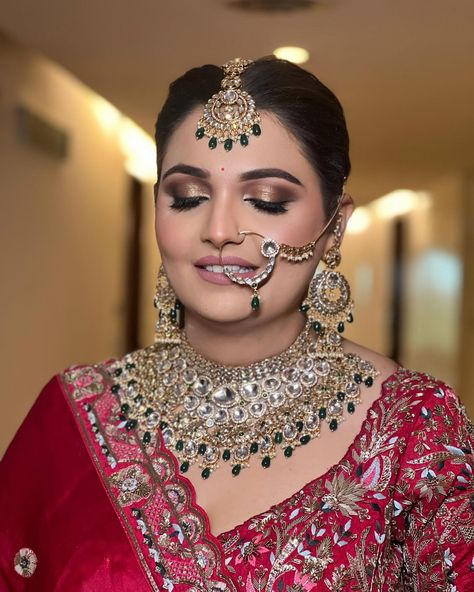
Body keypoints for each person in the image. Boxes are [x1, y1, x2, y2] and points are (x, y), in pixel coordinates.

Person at [1, 56, 473, 592]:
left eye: (266, 201)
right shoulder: (72, 412)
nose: (220, 229)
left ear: (333, 226)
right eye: (188, 197)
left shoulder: (416, 434)